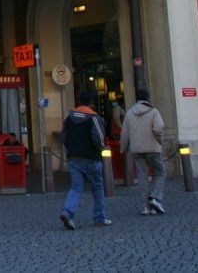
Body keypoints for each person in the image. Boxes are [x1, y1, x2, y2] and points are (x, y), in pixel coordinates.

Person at [59, 91, 110, 229]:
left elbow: (63, 136)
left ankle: (68, 212)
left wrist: (71, 147)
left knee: (76, 187)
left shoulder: (68, 118)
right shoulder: (94, 118)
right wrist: (99, 148)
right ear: (91, 103)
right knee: (98, 186)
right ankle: (100, 217)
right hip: (91, 157)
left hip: (74, 157)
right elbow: (98, 138)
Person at [119, 88, 166, 215]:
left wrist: (123, 148)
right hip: (153, 149)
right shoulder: (154, 112)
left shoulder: (129, 113)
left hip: (137, 150)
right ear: (148, 98)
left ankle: (145, 206)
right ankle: (155, 197)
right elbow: (159, 128)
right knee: (160, 173)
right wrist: (160, 142)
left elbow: (124, 134)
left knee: (142, 176)